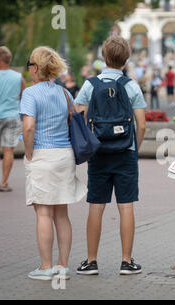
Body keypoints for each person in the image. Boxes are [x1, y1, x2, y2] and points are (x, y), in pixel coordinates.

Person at [74, 36, 146, 276]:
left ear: (103, 57)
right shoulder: (131, 85)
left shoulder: (90, 85)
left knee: (96, 206)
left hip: (99, 154)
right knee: (126, 206)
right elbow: (142, 125)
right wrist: (135, 147)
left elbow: (78, 116)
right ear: (126, 58)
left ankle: (91, 261)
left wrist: (88, 144)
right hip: (125, 153)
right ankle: (127, 262)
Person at [20, 46, 87, 280]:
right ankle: (63, 265)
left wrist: (28, 153)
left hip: (42, 154)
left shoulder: (30, 93)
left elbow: (28, 127)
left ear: (36, 67)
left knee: (43, 213)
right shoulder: (65, 93)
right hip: (64, 155)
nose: (29, 70)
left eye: (30, 65)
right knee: (61, 213)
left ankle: (46, 267)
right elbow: (72, 120)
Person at [0, 46, 25, 192]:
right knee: (8, 150)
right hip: (13, 117)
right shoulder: (18, 77)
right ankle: (4, 182)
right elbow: (24, 96)